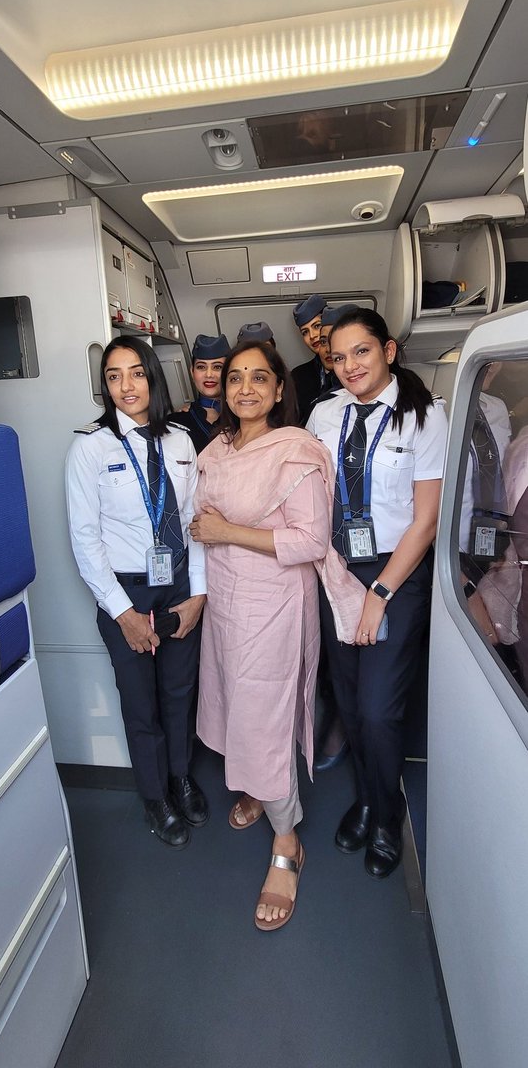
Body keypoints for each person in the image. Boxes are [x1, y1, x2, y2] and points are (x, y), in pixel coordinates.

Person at [190, 341, 364, 930]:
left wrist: (227, 530)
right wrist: (212, 536)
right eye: (233, 378)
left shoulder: (295, 451)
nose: (243, 389)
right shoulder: (213, 450)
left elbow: (309, 543)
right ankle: (258, 789)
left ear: (278, 388)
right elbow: (200, 525)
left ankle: (287, 842)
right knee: (237, 706)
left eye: (257, 379)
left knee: (264, 712)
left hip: (273, 604)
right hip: (226, 604)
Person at [308, 307, 448, 878]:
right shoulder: (322, 414)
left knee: (379, 709)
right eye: (338, 358)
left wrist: (381, 591)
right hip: (337, 571)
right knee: (346, 697)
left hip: (397, 572)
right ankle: (366, 799)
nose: (349, 367)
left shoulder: (423, 417)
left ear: (388, 351)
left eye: (361, 352)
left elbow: (427, 519)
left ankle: (388, 817)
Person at [65, 335, 208, 849]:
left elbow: (196, 524)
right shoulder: (90, 447)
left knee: (178, 692)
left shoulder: (179, 440)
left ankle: (180, 777)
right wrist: (123, 612)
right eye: (113, 376)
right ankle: (154, 795)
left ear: (152, 375)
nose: (126, 386)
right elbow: (85, 539)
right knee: (140, 700)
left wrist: (199, 595)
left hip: (178, 584)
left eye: (136, 373)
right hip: (123, 590)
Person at [168, 333, 230, 455]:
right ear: (192, 372)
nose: (209, 374)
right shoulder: (175, 423)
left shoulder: (242, 419)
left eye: (217, 367)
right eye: (201, 367)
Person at [291, 293, 326, 427]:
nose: (312, 336)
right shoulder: (298, 376)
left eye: (317, 326)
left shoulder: (349, 371)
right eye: (305, 332)